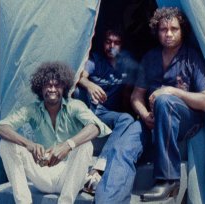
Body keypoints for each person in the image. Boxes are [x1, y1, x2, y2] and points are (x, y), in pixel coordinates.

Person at [0, 62, 111, 204]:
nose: (52, 89)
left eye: (57, 85)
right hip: (43, 175)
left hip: (69, 177)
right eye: (48, 85)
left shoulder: (75, 106)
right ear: (40, 88)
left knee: (86, 145)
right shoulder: (32, 110)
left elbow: (96, 127)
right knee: (6, 144)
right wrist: (28, 144)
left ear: (64, 87)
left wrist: (68, 145)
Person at [130, 7, 205, 202]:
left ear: (182, 30)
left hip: (188, 121)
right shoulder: (150, 58)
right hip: (157, 120)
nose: (168, 34)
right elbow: (136, 96)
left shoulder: (191, 57)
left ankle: (169, 180)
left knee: (164, 100)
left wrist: (171, 91)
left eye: (174, 29)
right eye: (163, 29)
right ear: (156, 31)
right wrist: (144, 115)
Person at [76, 28, 144, 204]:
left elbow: (132, 88)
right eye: (108, 41)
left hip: (109, 114)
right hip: (92, 111)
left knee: (127, 119)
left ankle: (100, 166)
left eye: (116, 42)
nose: (111, 46)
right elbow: (80, 77)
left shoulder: (126, 63)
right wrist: (89, 85)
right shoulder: (96, 60)